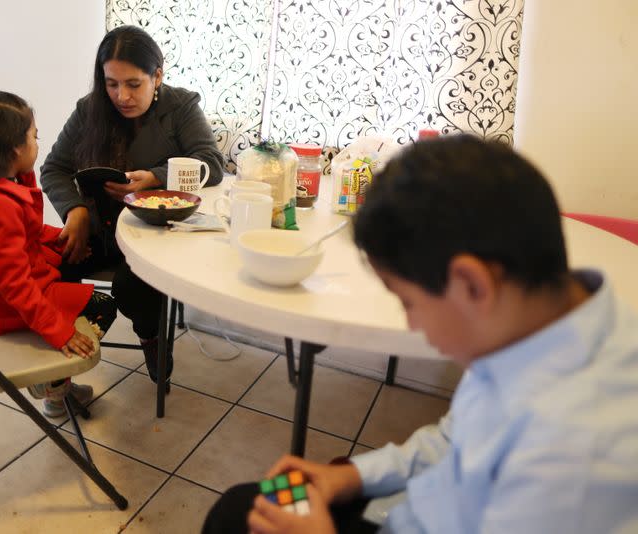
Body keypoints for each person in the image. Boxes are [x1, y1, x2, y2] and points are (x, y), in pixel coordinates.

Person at [203, 134, 638, 533]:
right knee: (242, 509)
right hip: (414, 510)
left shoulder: (578, 459)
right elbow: (455, 439)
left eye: (409, 302)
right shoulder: (532, 324)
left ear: (472, 284)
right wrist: (351, 475)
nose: (413, 325)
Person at [40, 25, 224, 389]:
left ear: (157, 76)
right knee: (47, 267)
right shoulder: (88, 110)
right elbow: (54, 168)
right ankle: (57, 378)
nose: (121, 96)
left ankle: (151, 338)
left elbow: (212, 164)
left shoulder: (181, 107)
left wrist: (155, 177)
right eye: (111, 84)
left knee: (132, 288)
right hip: (94, 229)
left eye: (134, 84)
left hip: (149, 234)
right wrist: (74, 211)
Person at [0, 85, 118, 418]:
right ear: (12, 149)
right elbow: (14, 285)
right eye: (34, 138)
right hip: (5, 306)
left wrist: (59, 236)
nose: (37, 145)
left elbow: (25, 232)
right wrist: (58, 331)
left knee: (79, 255)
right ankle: (53, 384)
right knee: (103, 306)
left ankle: (56, 377)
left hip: (8, 288)